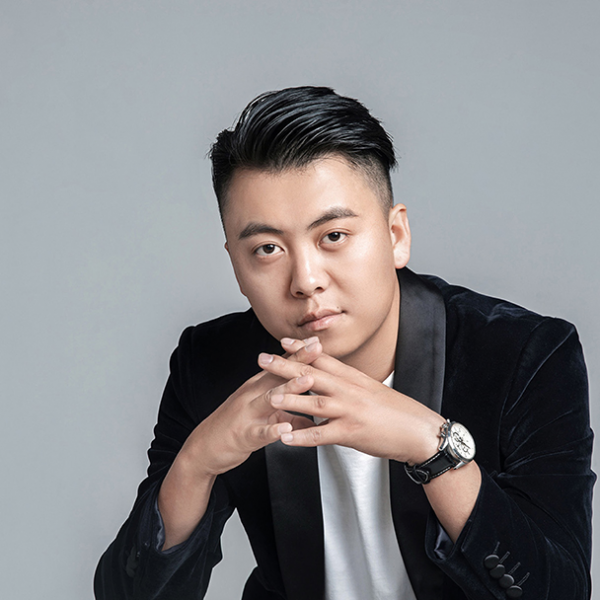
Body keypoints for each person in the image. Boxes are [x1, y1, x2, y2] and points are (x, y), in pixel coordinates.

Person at [94, 86, 595, 600]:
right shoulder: (212, 364)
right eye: (267, 249)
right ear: (236, 266)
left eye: (333, 236)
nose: (305, 280)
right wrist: (196, 463)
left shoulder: (523, 355)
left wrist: (434, 449)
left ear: (396, 235)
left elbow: (561, 591)